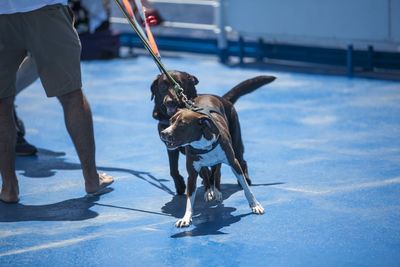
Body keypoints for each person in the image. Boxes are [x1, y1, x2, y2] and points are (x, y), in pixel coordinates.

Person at [0, 0, 114, 203]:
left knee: (1, 102)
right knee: (71, 96)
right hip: (45, 11)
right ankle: (91, 179)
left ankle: (9, 188)